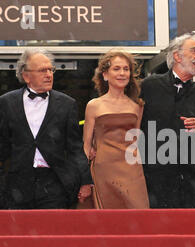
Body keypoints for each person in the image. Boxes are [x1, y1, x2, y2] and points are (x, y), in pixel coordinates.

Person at [0, 48, 92, 209]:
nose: (49, 74)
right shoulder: (7, 102)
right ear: (26, 76)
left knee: (53, 231)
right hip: (17, 182)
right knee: (19, 232)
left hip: (55, 182)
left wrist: (85, 181)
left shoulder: (67, 104)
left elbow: (75, 148)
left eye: (51, 69)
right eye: (43, 70)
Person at [140, 31, 195, 208]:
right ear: (177, 56)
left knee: (194, 231)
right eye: (194, 51)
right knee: (160, 232)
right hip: (156, 178)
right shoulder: (150, 86)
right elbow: (132, 124)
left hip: (194, 179)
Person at [82, 49, 149, 209]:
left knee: (138, 218)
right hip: (103, 171)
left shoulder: (137, 106)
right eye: (116, 69)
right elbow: (85, 146)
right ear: (105, 75)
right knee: (109, 223)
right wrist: (84, 180)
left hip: (132, 171)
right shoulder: (94, 105)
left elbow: (136, 143)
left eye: (126, 69)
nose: (122, 73)